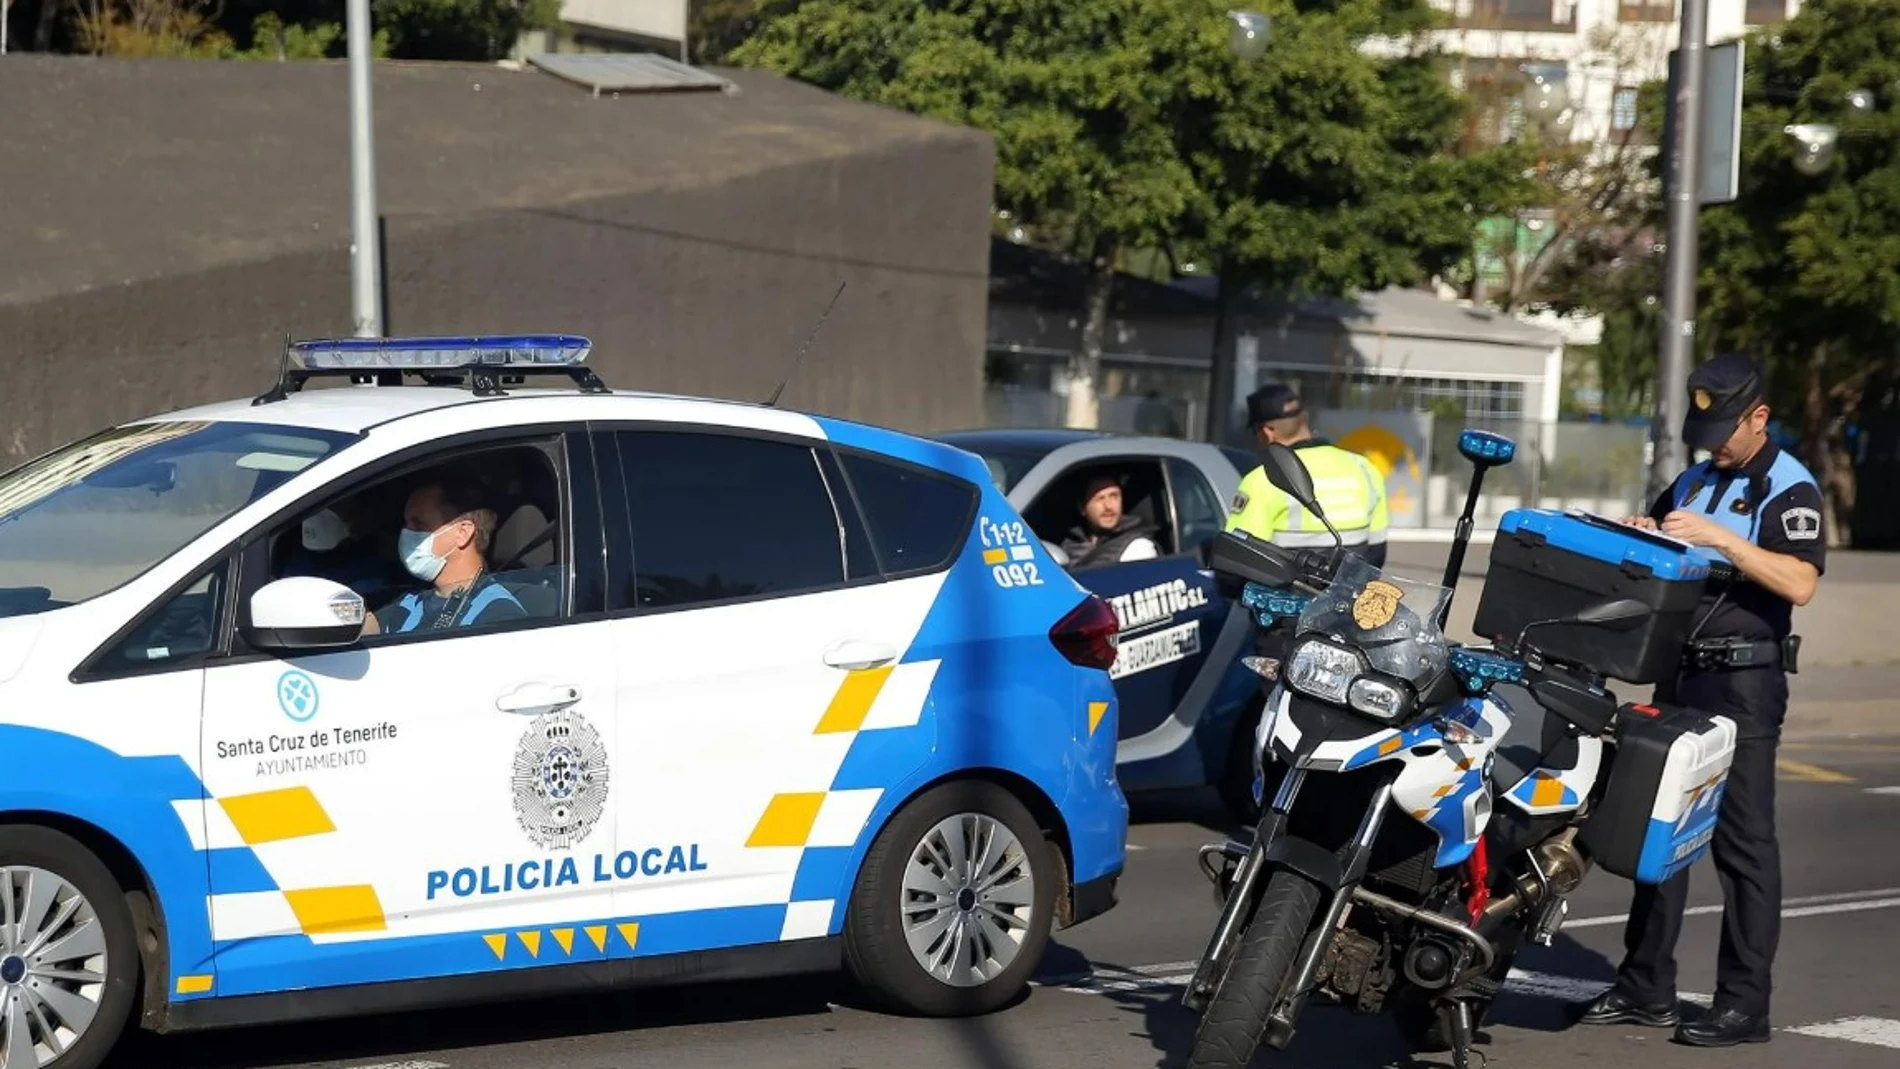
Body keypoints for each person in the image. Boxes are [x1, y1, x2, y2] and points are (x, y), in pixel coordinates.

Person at [1573, 353, 1824, 1047]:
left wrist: (1722, 538)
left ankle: (1745, 1003)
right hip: (1678, 671)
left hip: (1742, 681)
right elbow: (1662, 554)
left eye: (1723, 427)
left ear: (1759, 417)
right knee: (1659, 832)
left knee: (1744, 844)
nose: (1712, 441)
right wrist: (1641, 532)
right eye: (1703, 425)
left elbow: (1799, 582)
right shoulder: (1689, 479)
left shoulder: (1789, 487)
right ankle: (1644, 984)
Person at [1224, 384, 1389, 567]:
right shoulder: (1365, 469)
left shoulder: (1262, 479)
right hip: (1352, 593)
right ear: (1303, 420)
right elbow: (1377, 553)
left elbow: (1236, 561)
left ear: (1267, 431)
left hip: (1289, 595)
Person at [362, 475, 528, 636]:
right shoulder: (409, 602)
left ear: (463, 533)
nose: (407, 533)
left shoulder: (499, 615)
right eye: (406, 523)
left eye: (419, 524)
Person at [1060, 472, 1160, 568]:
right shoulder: (1069, 544)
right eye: (1100, 498)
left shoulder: (1138, 547)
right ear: (1082, 508)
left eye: (1114, 496)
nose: (1108, 506)